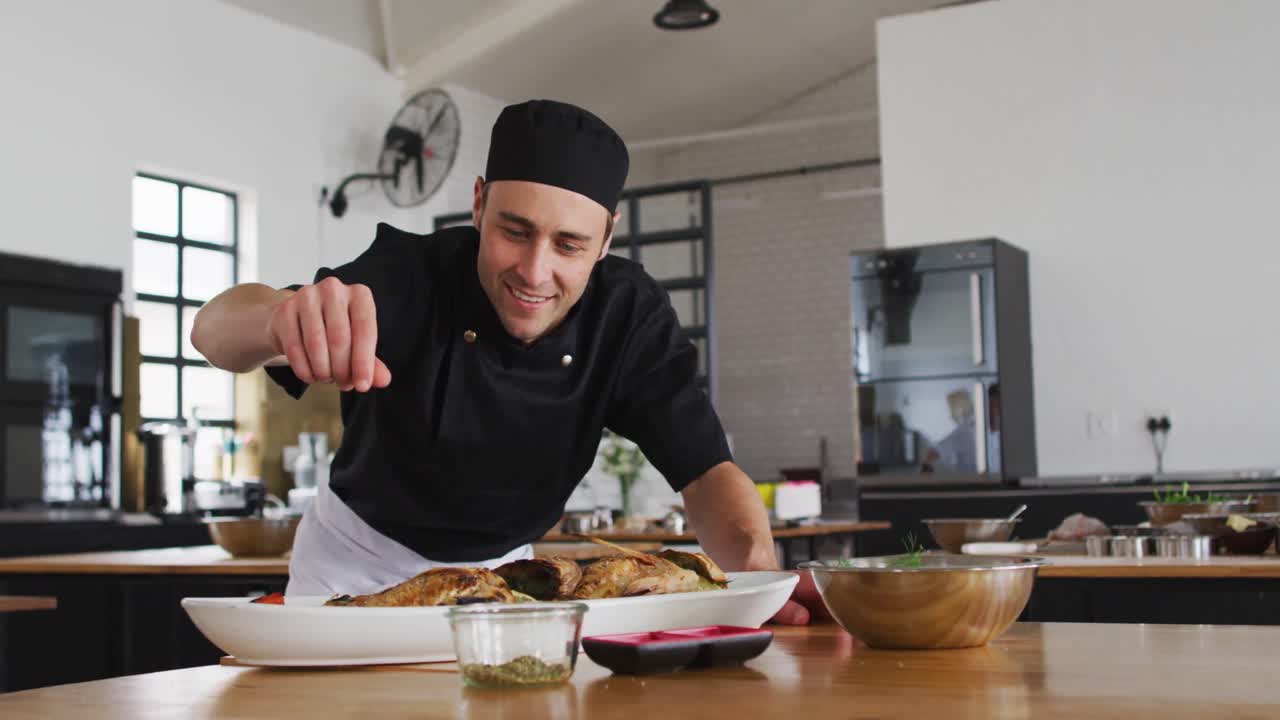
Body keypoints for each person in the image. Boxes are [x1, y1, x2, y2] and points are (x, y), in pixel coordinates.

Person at [192, 99, 825, 624]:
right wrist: (277, 316)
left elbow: (706, 471)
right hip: (355, 570)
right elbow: (211, 332)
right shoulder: (410, 275)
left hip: (511, 584)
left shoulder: (627, 315)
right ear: (478, 204)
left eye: (569, 245)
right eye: (514, 231)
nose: (534, 271)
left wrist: (754, 582)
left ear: (607, 237)